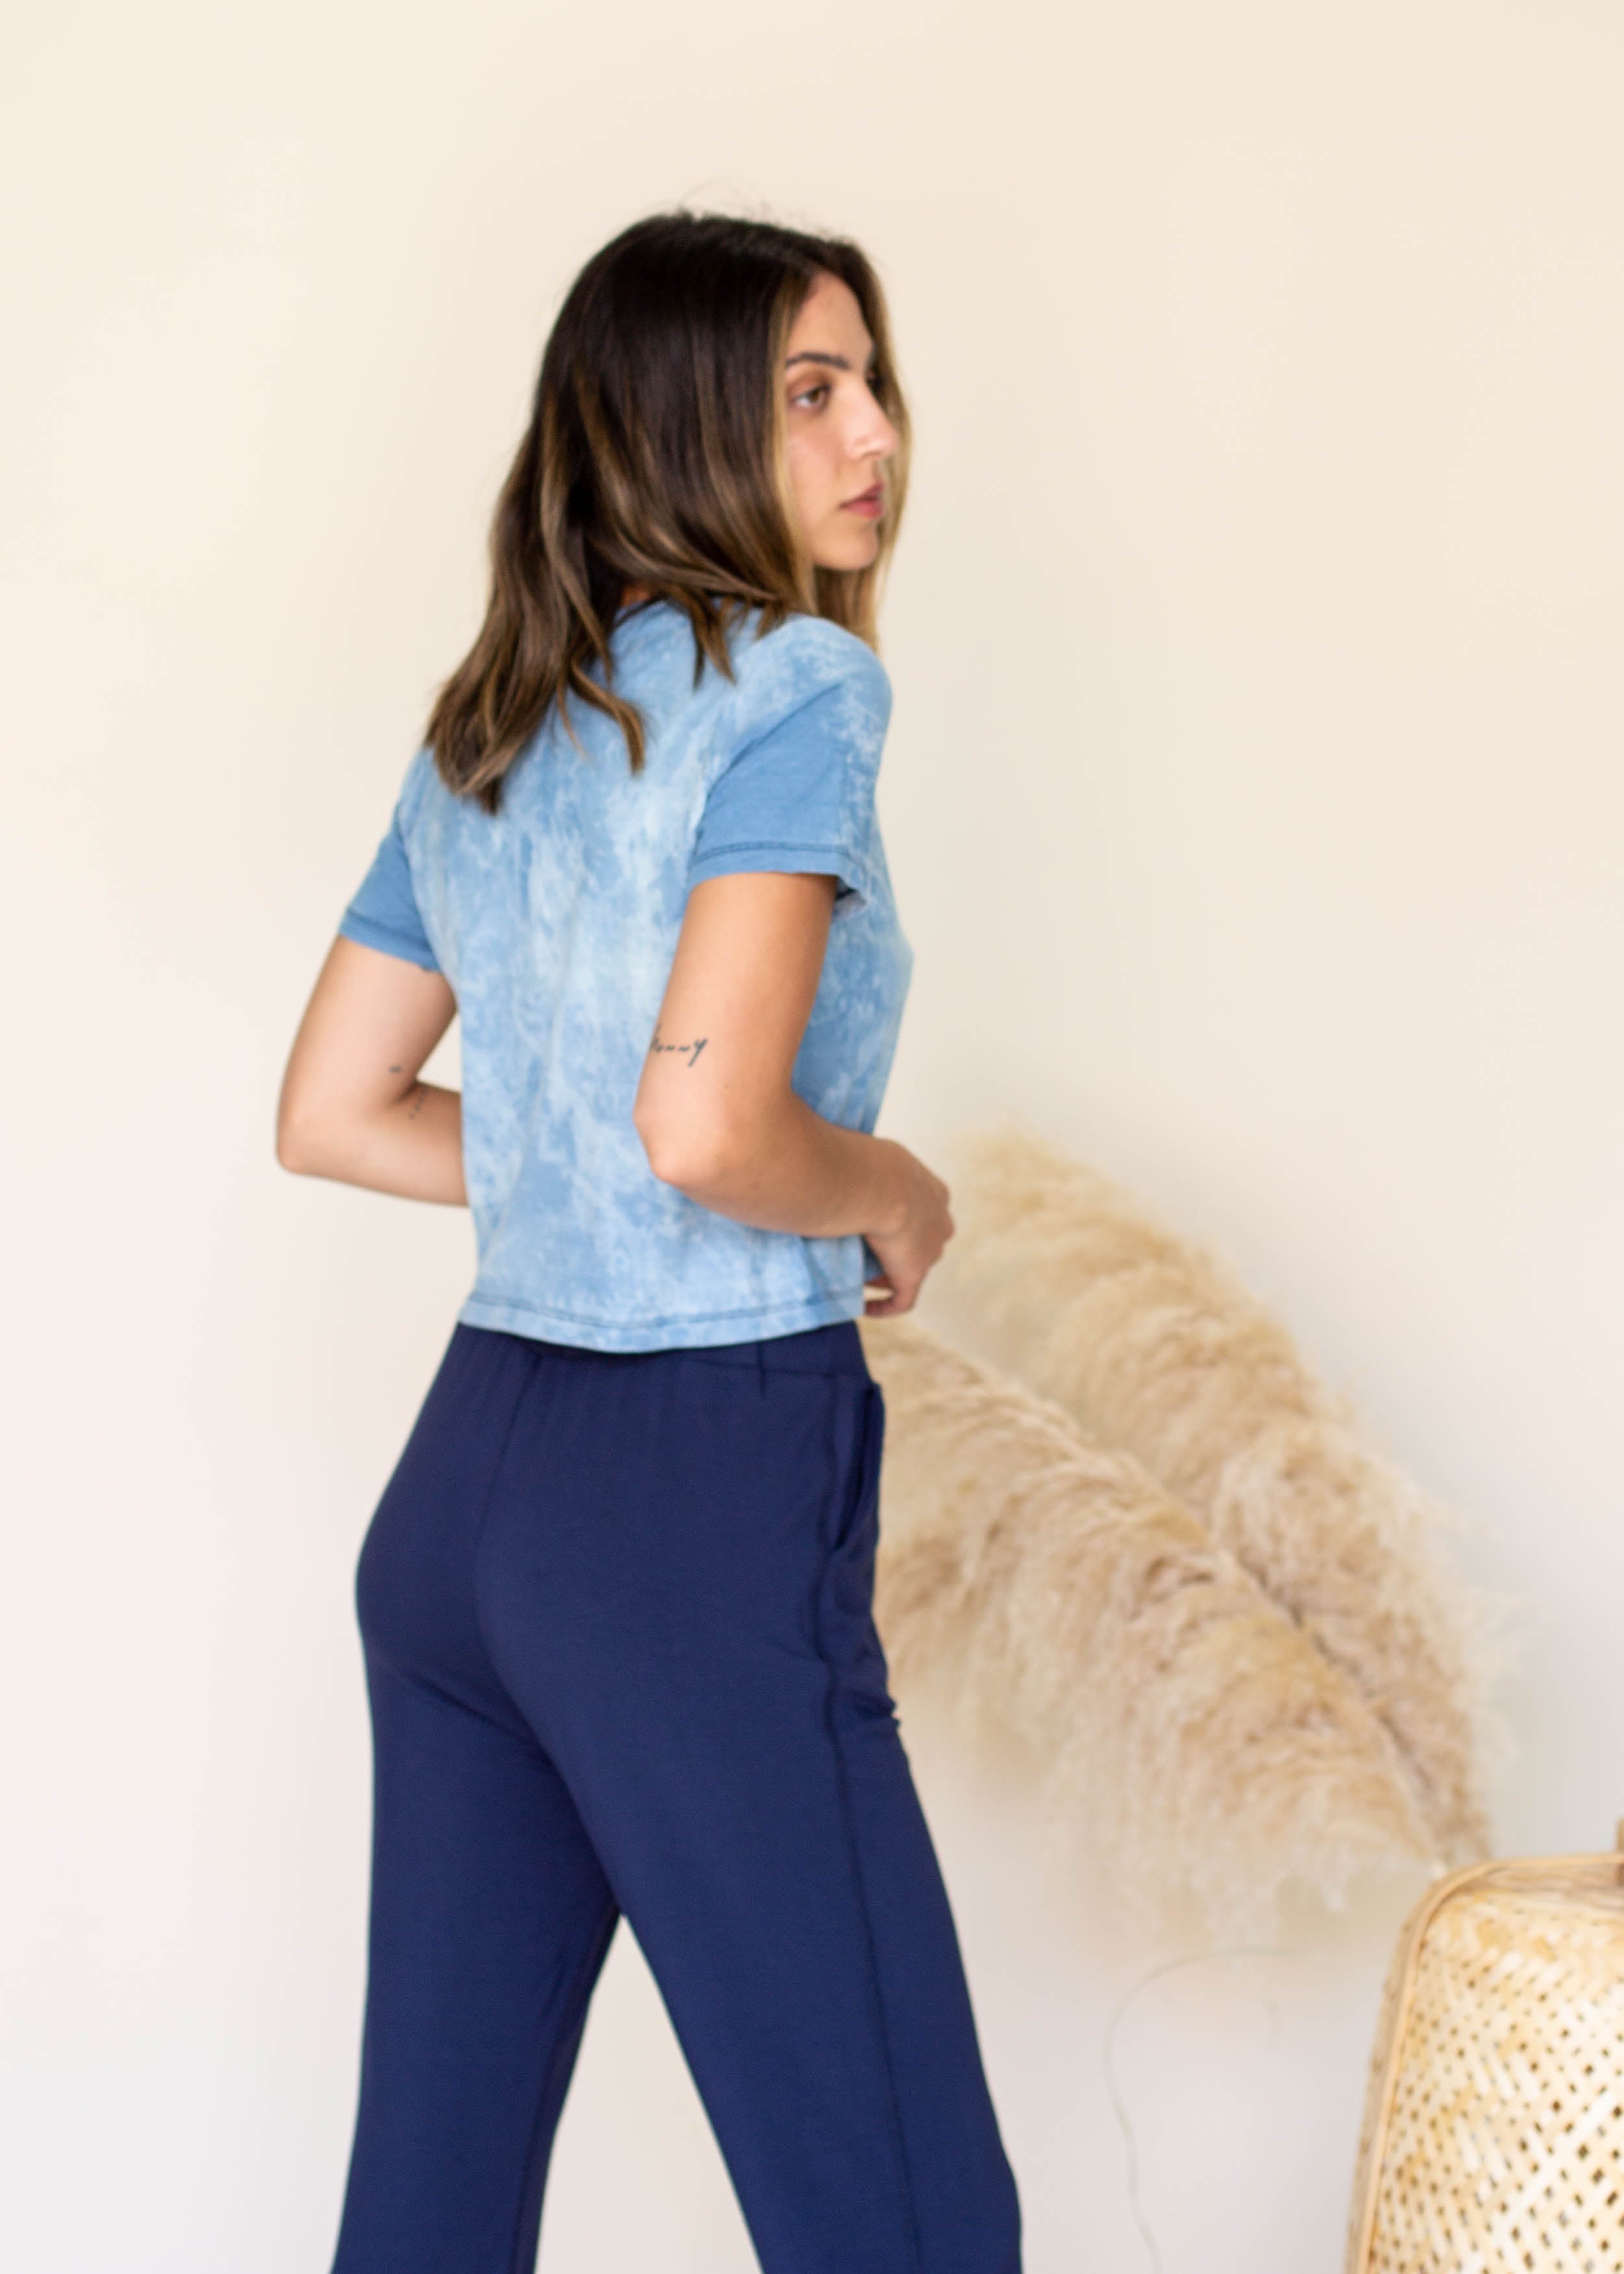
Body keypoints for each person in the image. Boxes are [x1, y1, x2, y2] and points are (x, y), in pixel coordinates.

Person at [276, 209, 1022, 2274]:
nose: (874, 432)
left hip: (463, 1509)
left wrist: (590, 1169)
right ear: (683, 426)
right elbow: (703, 1125)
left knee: (426, 2216)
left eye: (873, 379)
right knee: (909, 2220)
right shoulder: (799, 686)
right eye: (809, 389)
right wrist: (891, 1191)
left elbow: (331, 1112)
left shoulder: (497, 718)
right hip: (690, 1503)